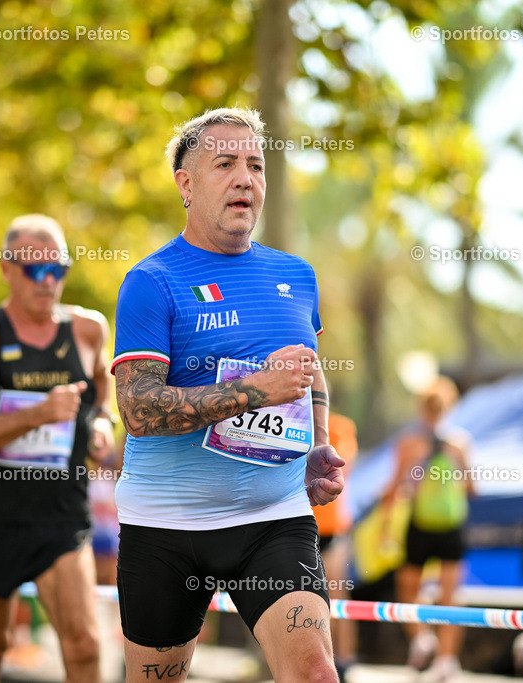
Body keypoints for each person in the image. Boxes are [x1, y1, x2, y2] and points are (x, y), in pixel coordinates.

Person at [112, 107, 346, 683]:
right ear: (186, 184)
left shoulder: (296, 275)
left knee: (315, 673)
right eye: (225, 164)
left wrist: (317, 443)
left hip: (273, 519)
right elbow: (139, 410)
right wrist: (254, 390)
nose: (245, 178)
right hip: (165, 527)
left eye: (256, 165)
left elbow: (310, 372)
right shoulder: (153, 281)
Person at [0, 213, 115, 683]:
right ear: (6, 269)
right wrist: (38, 414)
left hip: (61, 515)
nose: (48, 282)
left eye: (57, 270)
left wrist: (103, 423)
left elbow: (104, 390)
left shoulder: (87, 330)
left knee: (84, 646)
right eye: (34, 270)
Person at [380, 376, 471, 682]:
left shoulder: (408, 443)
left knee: (408, 589)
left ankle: (421, 636)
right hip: (452, 526)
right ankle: (447, 660)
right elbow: (472, 488)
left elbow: (393, 489)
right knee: (450, 597)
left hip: (420, 525)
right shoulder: (459, 443)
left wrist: (384, 529)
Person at [313, 412, 359, 682]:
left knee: (337, 596)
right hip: (300, 523)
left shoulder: (340, 425)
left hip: (330, 526)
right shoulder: (293, 419)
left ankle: (345, 659)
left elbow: (341, 468)